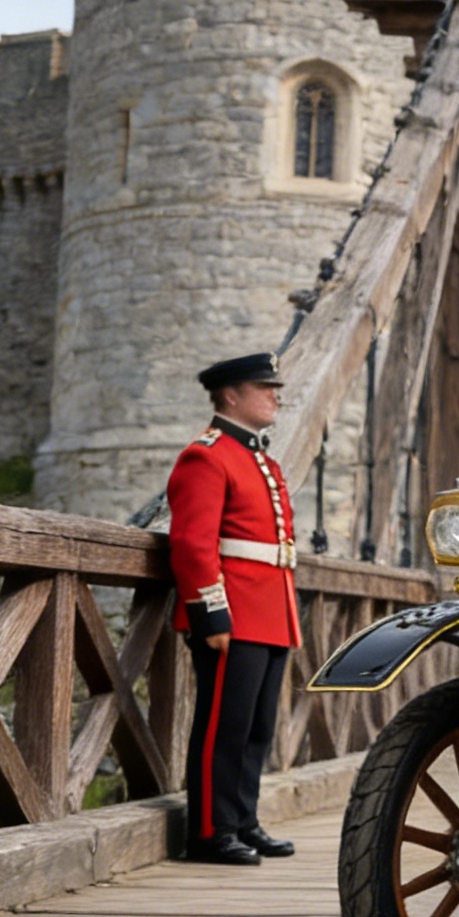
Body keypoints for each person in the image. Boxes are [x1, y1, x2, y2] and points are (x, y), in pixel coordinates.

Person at [166, 352, 302, 865]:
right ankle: (210, 830)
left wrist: (287, 617)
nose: (275, 396)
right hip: (234, 615)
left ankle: (244, 821)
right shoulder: (207, 456)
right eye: (263, 387)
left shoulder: (263, 462)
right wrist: (212, 614)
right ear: (230, 396)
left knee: (257, 726)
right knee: (225, 725)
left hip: (270, 613)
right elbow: (193, 545)